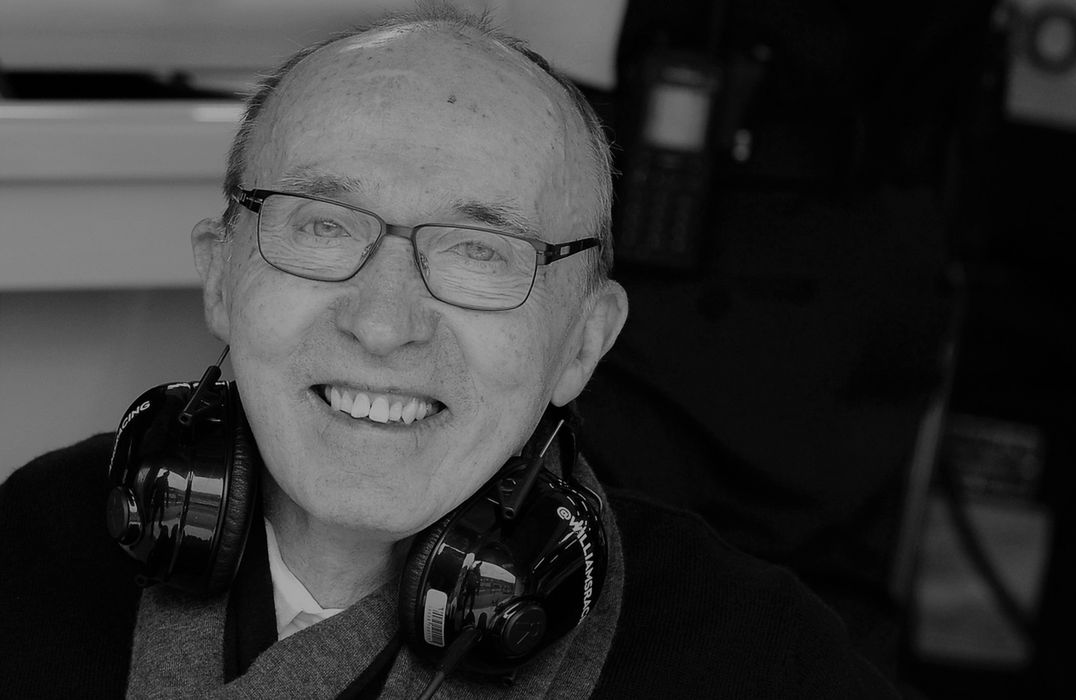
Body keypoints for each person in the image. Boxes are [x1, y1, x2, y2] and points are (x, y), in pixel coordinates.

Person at [0, 3, 903, 698]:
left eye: (479, 252)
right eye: (322, 226)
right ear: (222, 278)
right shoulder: (40, 539)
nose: (383, 323)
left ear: (583, 343)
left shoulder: (749, 656)